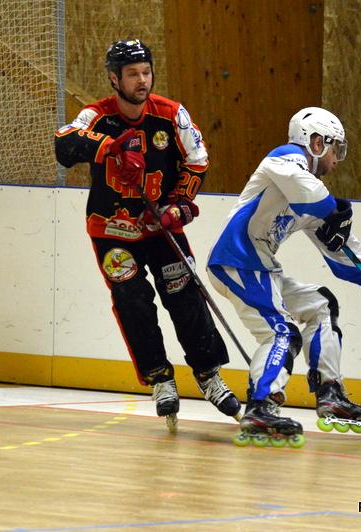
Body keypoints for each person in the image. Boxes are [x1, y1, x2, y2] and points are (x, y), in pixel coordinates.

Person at [54, 38, 241, 430]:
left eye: (146, 72)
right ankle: (160, 379)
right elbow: (65, 141)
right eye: (132, 74)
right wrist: (109, 149)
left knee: (185, 296)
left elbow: (198, 159)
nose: (142, 80)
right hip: (112, 229)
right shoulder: (97, 116)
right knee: (132, 300)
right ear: (114, 79)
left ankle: (209, 375)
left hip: (160, 227)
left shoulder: (171, 115)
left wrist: (178, 204)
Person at [207, 107, 361, 445]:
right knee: (281, 332)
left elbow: (342, 251)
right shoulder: (283, 160)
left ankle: (330, 391)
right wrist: (335, 211)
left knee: (321, 305)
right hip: (237, 260)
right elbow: (314, 197)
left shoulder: (311, 197)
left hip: (260, 266)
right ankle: (262, 404)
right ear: (317, 142)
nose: (337, 159)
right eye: (336, 149)